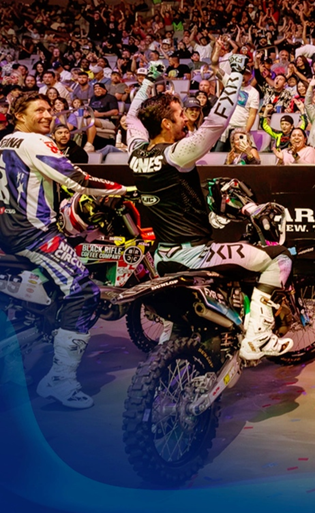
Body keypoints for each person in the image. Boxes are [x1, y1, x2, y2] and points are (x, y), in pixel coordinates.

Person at [126, 56, 296, 361]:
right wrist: (234, 77)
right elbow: (215, 124)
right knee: (278, 259)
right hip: (195, 254)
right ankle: (258, 337)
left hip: (162, 256)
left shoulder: (135, 151)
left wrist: (148, 83)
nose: (185, 120)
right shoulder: (176, 154)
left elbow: (131, 117)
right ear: (165, 124)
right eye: (179, 116)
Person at [0, 92, 128, 408]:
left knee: (47, 291)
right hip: (34, 234)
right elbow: (76, 179)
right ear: (19, 115)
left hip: (7, 230)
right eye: (38, 110)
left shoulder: (4, 142)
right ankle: (61, 379)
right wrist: (122, 188)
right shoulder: (36, 143)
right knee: (85, 292)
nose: (47, 115)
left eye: (49, 109)